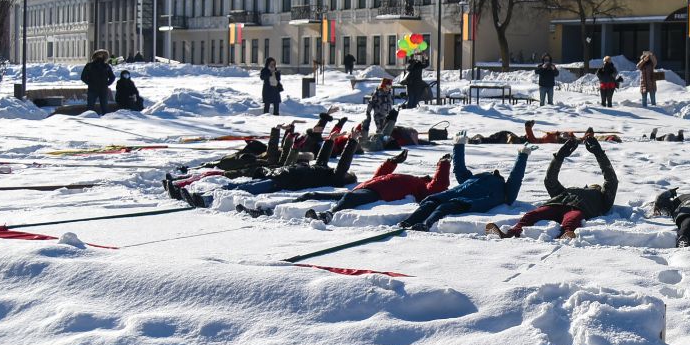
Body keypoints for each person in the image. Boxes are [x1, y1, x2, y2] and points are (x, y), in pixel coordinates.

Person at [488, 131, 618, 239]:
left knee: (572, 219)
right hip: (555, 205)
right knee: (531, 215)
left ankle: (565, 236)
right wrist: (560, 156)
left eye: (595, 186)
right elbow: (550, 180)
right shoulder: (566, 192)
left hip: (577, 210)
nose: (590, 186)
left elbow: (611, 180)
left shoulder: (602, 198)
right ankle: (510, 233)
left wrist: (599, 154)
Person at [181, 132, 360, 207]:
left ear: (345, 177)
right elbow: (322, 158)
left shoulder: (333, 178)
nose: (343, 170)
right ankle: (203, 195)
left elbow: (343, 163)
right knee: (237, 186)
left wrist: (352, 142)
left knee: (244, 189)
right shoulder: (322, 169)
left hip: (283, 182)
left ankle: (206, 199)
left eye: (346, 173)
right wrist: (330, 140)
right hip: (278, 175)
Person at [399, 136, 532, 231]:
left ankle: (427, 225)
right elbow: (460, 170)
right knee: (430, 203)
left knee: (444, 207)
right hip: (452, 194)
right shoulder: (474, 178)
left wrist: (522, 155)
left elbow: (516, 177)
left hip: (470, 202)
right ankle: (407, 222)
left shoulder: (506, 192)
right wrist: (458, 145)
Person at [306, 149, 452, 222]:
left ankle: (328, 215)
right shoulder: (415, 180)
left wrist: (444, 165)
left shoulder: (423, 189)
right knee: (314, 194)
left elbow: (439, 185)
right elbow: (379, 177)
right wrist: (392, 162)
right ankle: (300, 200)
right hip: (367, 187)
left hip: (378, 193)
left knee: (349, 197)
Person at [81, 49, 115, 114]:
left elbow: (112, 77)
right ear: (95, 56)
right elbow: (83, 77)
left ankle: (105, 118)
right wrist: (90, 83)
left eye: (102, 55)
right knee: (90, 107)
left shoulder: (106, 66)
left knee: (104, 107)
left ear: (104, 56)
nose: (100, 57)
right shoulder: (90, 65)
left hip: (103, 89)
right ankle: (88, 117)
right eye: (99, 55)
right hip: (93, 89)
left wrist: (107, 84)